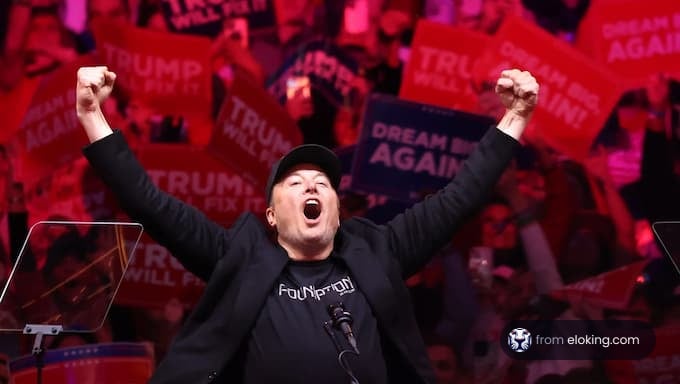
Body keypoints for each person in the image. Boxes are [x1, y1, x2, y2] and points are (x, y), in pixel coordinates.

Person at [74, 65, 538, 383]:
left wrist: (513, 118)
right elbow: (151, 204)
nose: (312, 187)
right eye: (295, 183)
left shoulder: (379, 248)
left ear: (338, 212)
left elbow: (459, 198)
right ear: (272, 216)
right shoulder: (238, 254)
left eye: (322, 183)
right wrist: (93, 116)